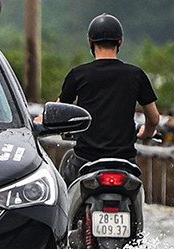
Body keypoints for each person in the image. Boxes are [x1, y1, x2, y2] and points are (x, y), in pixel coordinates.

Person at [56, 13, 160, 179]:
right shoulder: (136, 75)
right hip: (124, 160)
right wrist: (146, 133)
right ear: (120, 42)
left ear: (90, 42)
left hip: (86, 159)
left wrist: (42, 121)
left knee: (64, 192)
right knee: (137, 196)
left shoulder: (78, 74)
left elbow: (58, 112)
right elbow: (154, 119)